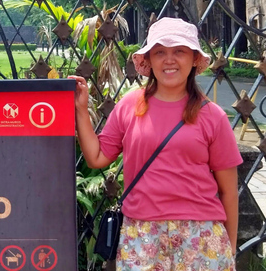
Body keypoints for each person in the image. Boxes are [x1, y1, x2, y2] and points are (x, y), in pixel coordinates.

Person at [72, 17, 241, 271]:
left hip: (201, 236)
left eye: (179, 51)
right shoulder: (130, 105)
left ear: (194, 59)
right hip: (142, 234)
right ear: (148, 60)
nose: (169, 60)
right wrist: (82, 110)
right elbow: (97, 157)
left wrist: (229, 248)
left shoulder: (212, 115)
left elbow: (229, 192)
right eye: (160, 52)